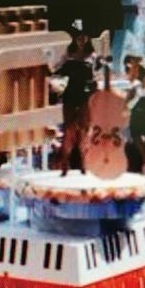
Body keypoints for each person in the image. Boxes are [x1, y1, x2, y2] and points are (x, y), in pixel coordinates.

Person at [54, 20, 99, 176]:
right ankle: (65, 163)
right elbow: (56, 68)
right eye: (79, 37)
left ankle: (84, 163)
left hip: (86, 95)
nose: (82, 40)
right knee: (69, 129)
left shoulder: (92, 55)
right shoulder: (69, 53)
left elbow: (95, 76)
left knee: (85, 130)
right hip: (71, 94)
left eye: (84, 37)